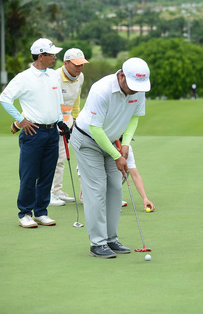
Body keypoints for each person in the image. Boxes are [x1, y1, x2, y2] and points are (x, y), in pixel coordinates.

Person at [71, 57, 151, 258]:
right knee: (97, 188)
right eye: (132, 85)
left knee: (115, 188)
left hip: (112, 141)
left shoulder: (138, 90)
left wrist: (125, 144)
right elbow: (95, 129)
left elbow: (134, 117)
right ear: (122, 76)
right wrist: (117, 155)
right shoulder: (102, 89)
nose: (135, 90)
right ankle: (97, 244)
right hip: (87, 140)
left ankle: (111, 239)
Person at [0, 38, 70, 228]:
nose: (55, 57)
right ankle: (24, 213)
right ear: (41, 56)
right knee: (29, 175)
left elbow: (56, 101)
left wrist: (61, 122)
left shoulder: (54, 75)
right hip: (33, 132)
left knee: (47, 174)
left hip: (52, 131)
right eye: (51, 54)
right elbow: (5, 99)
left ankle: (41, 212)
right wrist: (21, 120)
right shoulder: (24, 78)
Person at [49, 48, 89, 205]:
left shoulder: (80, 77)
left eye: (82, 64)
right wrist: (58, 122)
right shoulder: (55, 77)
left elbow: (76, 101)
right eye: (76, 64)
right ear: (65, 63)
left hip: (68, 123)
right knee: (55, 158)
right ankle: (49, 193)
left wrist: (76, 120)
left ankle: (57, 191)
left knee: (62, 158)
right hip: (52, 122)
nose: (79, 68)